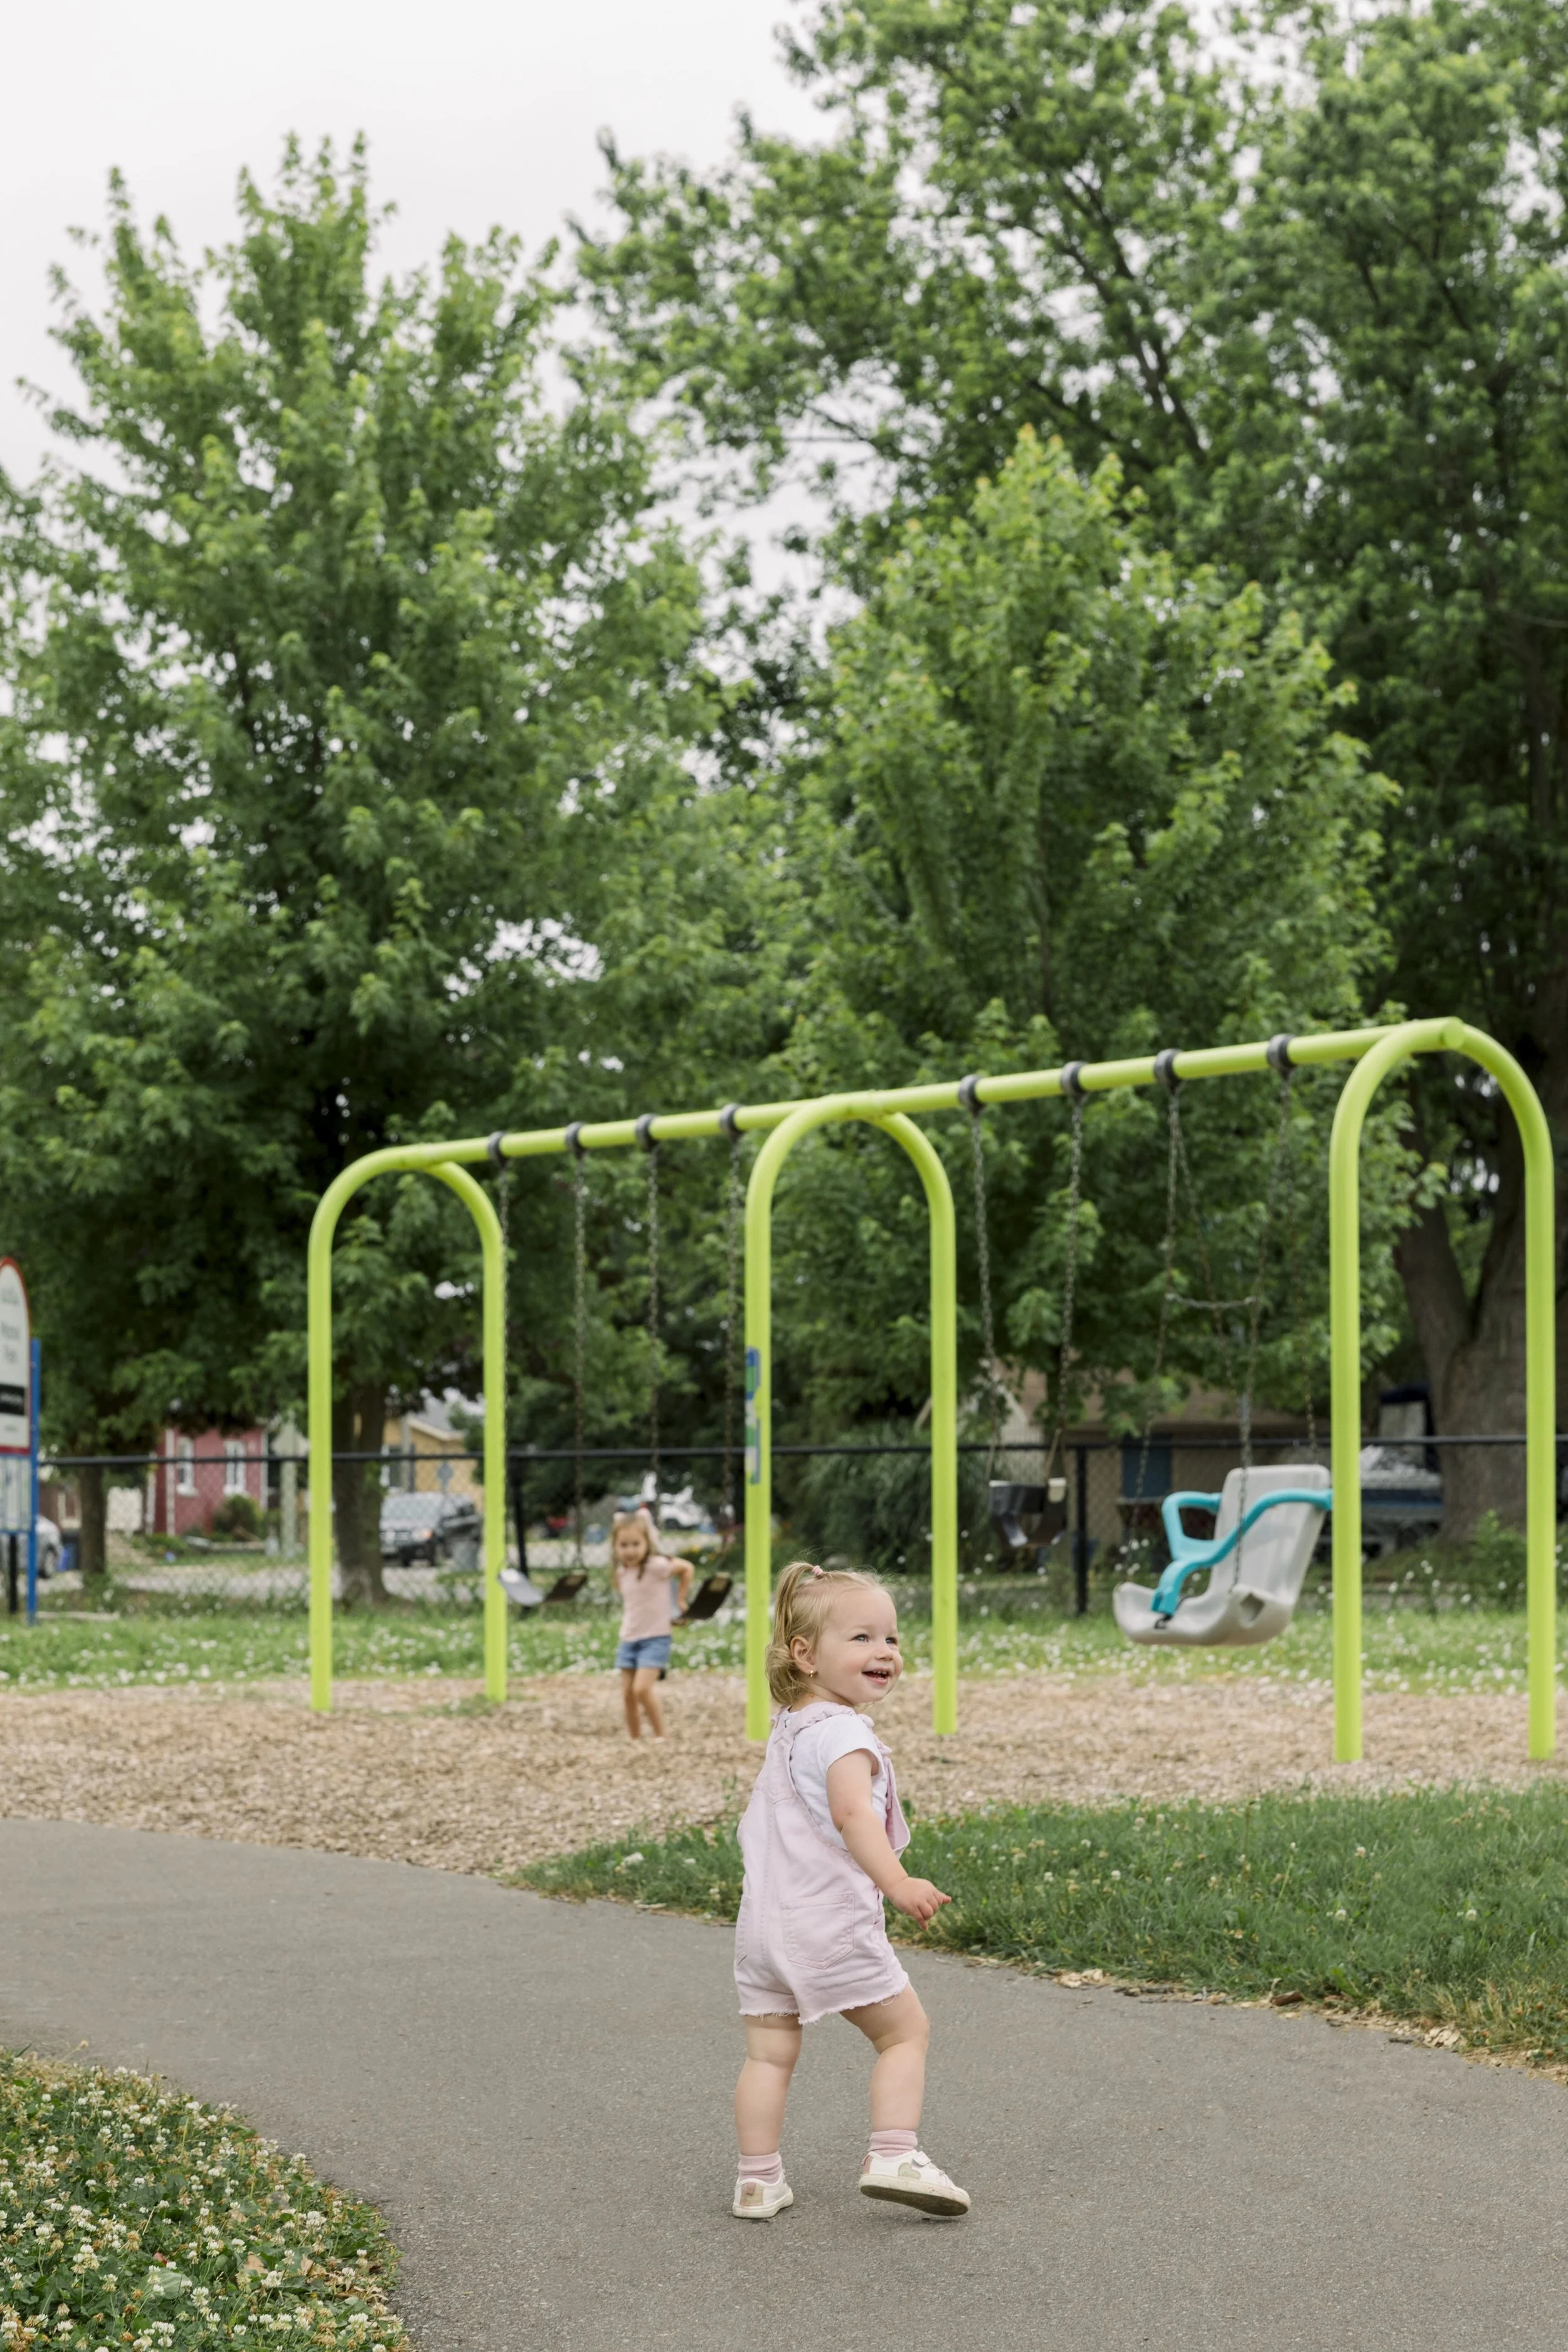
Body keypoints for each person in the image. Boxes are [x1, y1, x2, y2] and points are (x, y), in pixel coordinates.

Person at [730, 1560, 970, 2222]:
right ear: (805, 1655)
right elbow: (851, 1815)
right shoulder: (842, 1733)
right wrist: (896, 1881)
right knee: (904, 2033)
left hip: (761, 1930)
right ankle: (894, 2154)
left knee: (769, 2055)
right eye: (861, 1638)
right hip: (826, 1923)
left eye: (890, 1638)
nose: (884, 1652)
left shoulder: (791, 1726)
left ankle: (757, 2180)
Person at [611, 1507, 692, 1743]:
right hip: (628, 1638)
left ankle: (661, 1736)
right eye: (624, 1545)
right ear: (615, 1546)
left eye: (636, 1544)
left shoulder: (657, 1565)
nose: (630, 1550)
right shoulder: (621, 1573)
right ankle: (635, 1739)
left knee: (641, 1689)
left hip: (656, 1638)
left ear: (647, 1543)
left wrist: (680, 1601)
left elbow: (687, 1568)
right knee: (627, 1694)